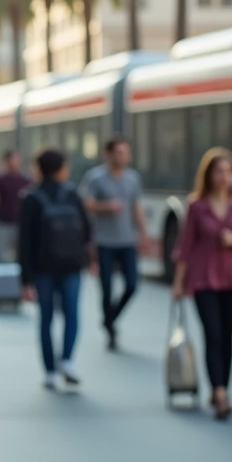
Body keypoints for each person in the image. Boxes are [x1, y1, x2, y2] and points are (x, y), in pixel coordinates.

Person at [172, 148, 232, 421]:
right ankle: (219, 392)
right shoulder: (196, 206)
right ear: (207, 175)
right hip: (203, 279)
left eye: (228, 172)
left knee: (227, 336)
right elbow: (185, 247)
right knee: (212, 333)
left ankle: (223, 386)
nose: (223, 177)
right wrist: (178, 284)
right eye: (218, 172)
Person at [19, 149, 95, 389]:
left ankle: (50, 371)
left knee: (46, 318)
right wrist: (89, 259)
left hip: (43, 269)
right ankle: (68, 360)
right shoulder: (72, 194)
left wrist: (25, 280)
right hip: (72, 265)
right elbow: (87, 230)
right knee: (72, 314)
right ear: (62, 168)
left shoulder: (31, 198)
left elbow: (25, 241)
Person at [79, 136, 145, 351]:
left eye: (126, 153)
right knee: (106, 288)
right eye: (118, 153)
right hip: (104, 241)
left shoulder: (133, 179)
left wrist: (143, 233)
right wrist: (106, 206)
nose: (122, 157)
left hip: (127, 240)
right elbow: (86, 204)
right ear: (108, 154)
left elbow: (136, 206)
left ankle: (110, 318)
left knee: (132, 285)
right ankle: (110, 330)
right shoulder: (96, 178)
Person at [0, 151, 31, 264]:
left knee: (20, 255)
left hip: (20, 223)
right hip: (2, 223)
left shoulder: (26, 181)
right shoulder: (0, 180)